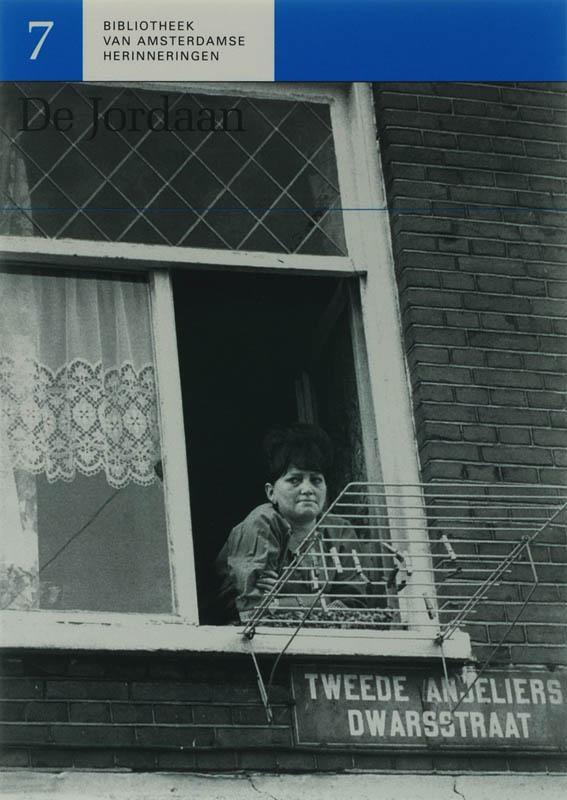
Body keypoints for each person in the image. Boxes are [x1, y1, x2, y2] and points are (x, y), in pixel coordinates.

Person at [215, 423, 367, 623]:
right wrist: (325, 602)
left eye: (316, 480)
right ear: (271, 492)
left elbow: (356, 605)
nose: (307, 489)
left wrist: (283, 602)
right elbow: (253, 611)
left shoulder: (340, 531)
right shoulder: (261, 524)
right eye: (295, 480)